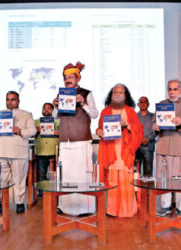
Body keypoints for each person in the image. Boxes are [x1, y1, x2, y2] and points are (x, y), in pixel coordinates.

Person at [52, 62, 99, 216]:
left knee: (82, 174)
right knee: (66, 175)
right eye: (65, 78)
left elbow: (94, 114)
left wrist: (83, 103)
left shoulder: (86, 93)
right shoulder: (61, 95)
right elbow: (54, 118)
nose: (68, 80)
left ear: (77, 78)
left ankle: (86, 208)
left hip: (81, 141)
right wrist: (55, 106)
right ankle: (66, 207)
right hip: (65, 141)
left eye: (71, 77)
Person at [96, 84, 143, 217]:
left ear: (125, 95)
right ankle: (111, 210)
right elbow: (99, 129)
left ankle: (126, 210)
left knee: (125, 181)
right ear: (111, 95)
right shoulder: (105, 111)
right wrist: (100, 132)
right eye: (115, 92)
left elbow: (138, 130)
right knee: (111, 181)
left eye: (120, 92)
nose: (117, 94)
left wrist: (128, 125)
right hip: (110, 149)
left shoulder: (130, 111)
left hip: (125, 150)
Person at [0, 91, 36, 214]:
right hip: (0, 151)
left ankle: (19, 203)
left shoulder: (26, 114)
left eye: (13, 99)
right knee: (2, 179)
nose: (10, 101)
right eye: (8, 99)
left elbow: (33, 131)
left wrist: (19, 130)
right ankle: (3, 203)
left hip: (18, 152)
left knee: (19, 178)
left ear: (18, 101)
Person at [153, 79, 181, 216]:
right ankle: (165, 206)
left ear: (180, 90)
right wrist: (155, 127)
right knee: (163, 178)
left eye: (175, 89)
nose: (172, 92)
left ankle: (180, 207)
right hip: (164, 146)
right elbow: (155, 124)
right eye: (170, 89)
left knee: (180, 179)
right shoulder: (161, 105)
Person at [34, 102, 59, 196]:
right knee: (41, 175)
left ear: (52, 111)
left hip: (54, 151)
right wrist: (36, 129)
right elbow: (31, 133)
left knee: (55, 175)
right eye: (44, 108)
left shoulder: (57, 121)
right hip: (41, 151)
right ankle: (41, 193)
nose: (46, 110)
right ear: (41, 110)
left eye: (49, 108)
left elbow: (63, 133)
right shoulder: (36, 122)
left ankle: (55, 193)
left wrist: (55, 132)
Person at [136, 96, 156, 177]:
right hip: (136, 148)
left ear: (148, 104)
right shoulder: (134, 116)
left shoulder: (153, 116)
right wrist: (139, 139)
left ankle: (147, 190)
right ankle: (136, 190)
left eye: (145, 102)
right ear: (138, 104)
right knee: (135, 173)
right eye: (141, 102)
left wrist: (148, 139)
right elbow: (131, 131)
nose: (143, 104)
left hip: (149, 147)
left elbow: (156, 131)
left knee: (148, 173)